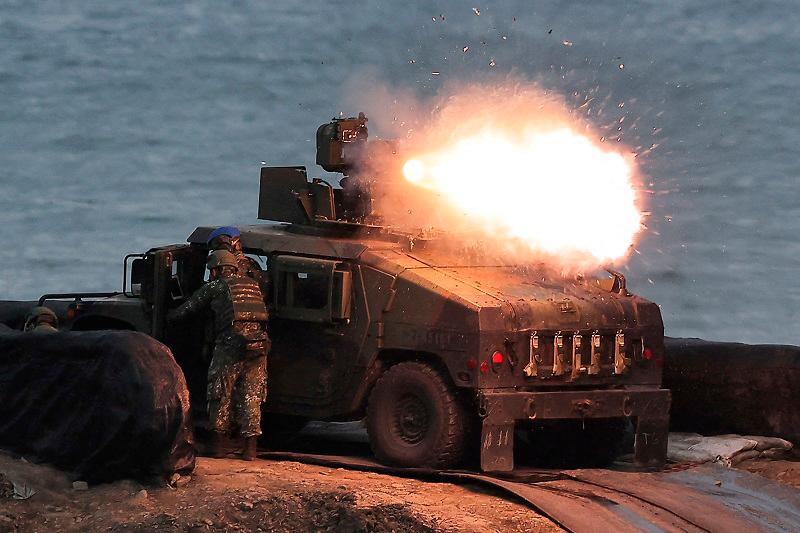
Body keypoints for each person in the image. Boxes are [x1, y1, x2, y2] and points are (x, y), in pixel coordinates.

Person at [168, 250, 270, 460]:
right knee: (251, 396)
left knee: (219, 393)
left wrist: (169, 315)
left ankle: (218, 447)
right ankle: (249, 450)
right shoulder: (252, 285)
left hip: (230, 345)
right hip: (258, 346)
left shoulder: (216, 286)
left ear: (215, 271)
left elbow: (188, 309)